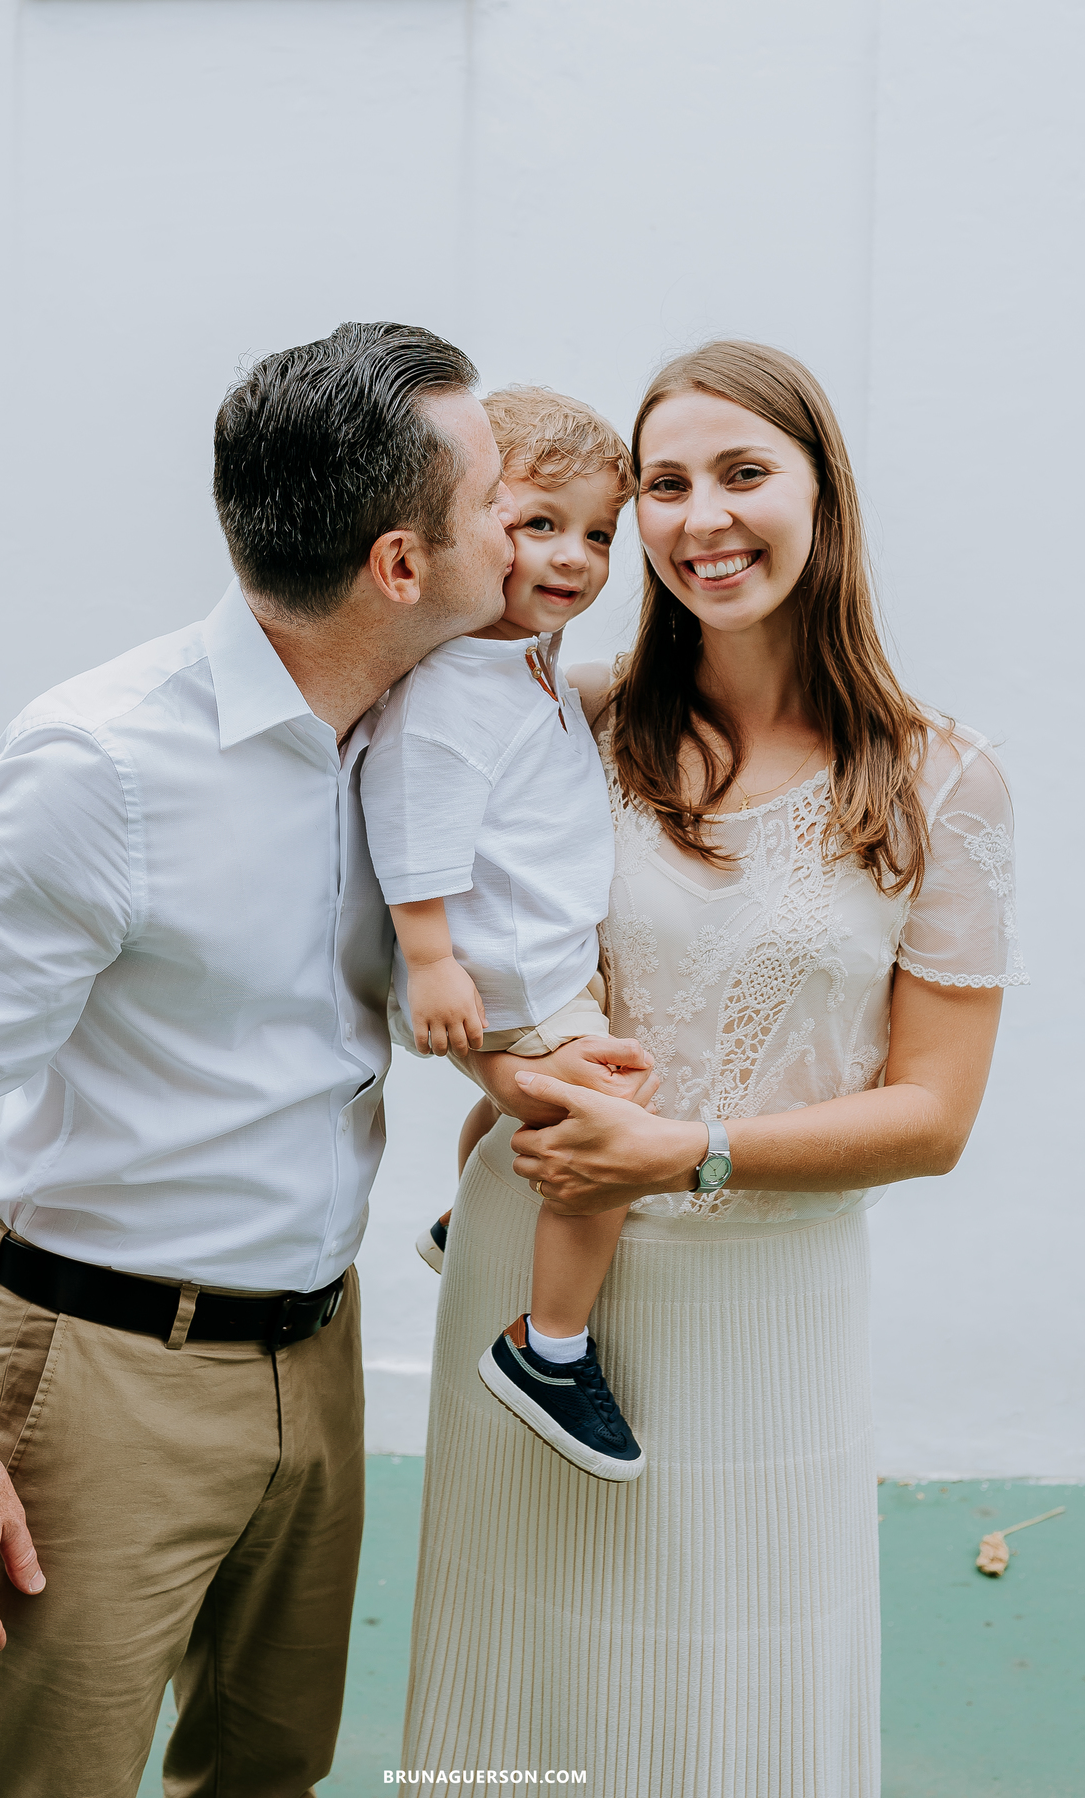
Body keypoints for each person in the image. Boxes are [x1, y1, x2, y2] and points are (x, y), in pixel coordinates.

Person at [0, 322, 654, 1798]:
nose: (538, 529)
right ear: (400, 563)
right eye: (503, 497)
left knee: (268, 1767)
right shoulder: (100, 766)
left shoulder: (418, 727)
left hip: (321, 1349)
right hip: (105, 1373)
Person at [403, 341, 1026, 1796]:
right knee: (526, 1696)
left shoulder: (941, 778)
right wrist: (513, 1091)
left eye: (745, 473)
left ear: (826, 495)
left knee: (731, 1705)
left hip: (765, 1308)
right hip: (537, 1278)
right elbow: (450, 931)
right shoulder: (578, 716)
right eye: (666, 484)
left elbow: (934, 1115)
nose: (702, 517)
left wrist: (684, 1152)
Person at [363, 386, 645, 1481]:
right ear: (470, 524)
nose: (573, 556)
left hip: (537, 960)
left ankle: (461, 1217)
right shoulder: (446, 692)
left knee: (517, 1104)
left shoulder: (522, 656)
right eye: (540, 525)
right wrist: (430, 961)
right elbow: (412, 822)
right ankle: (550, 1347)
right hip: (502, 975)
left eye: (598, 534)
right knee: (605, 1131)